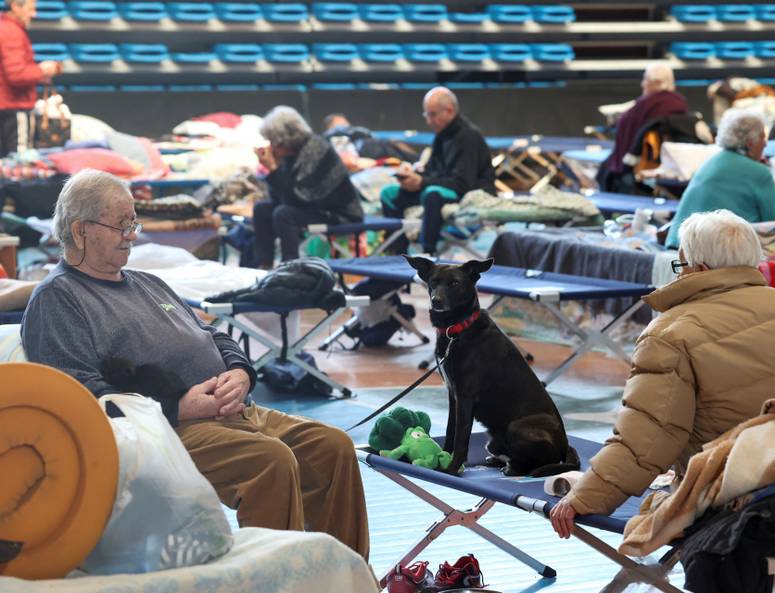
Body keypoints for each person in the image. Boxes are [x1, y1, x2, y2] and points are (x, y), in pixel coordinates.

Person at [20, 169, 369, 560]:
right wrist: (178, 407)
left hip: (235, 410)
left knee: (333, 448)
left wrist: (241, 372)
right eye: (121, 225)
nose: (132, 235)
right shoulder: (58, 298)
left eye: (133, 223)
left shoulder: (146, 283)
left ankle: (348, 579)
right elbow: (79, 396)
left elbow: (214, 336)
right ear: (81, 229)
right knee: (270, 463)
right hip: (166, 429)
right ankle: (277, 581)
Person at [550, 209, 775, 539]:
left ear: (699, 268)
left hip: (737, 496)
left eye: (681, 265)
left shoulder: (669, 333)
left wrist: (585, 497)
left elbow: (648, 437)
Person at [380, 86, 496, 255]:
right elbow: (431, 172)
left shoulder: (468, 137)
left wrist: (422, 182)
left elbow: (462, 183)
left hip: (468, 192)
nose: (428, 121)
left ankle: (428, 254)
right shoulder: (441, 135)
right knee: (388, 193)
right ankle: (398, 252)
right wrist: (412, 177)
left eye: (432, 114)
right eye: (426, 114)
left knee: (433, 194)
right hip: (440, 188)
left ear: (449, 111)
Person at [253, 105, 363, 268]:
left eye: (275, 141)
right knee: (261, 209)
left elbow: (297, 198)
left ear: (286, 138)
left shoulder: (315, 149)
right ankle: (265, 266)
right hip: (312, 207)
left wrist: (274, 170)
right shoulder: (290, 153)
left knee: (283, 214)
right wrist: (274, 167)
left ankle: (291, 269)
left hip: (339, 213)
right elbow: (281, 197)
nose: (273, 146)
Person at [664, 110, 775, 249]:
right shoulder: (760, 172)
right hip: (717, 253)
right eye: (763, 138)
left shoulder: (709, 163)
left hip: (679, 246)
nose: (765, 144)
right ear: (750, 143)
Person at [597, 63, 688, 194]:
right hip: (669, 163)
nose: (642, 84)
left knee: (606, 170)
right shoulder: (679, 102)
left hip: (640, 165)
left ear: (656, 82)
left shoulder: (647, 105)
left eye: (645, 79)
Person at [0, 0, 63, 157]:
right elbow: (16, 75)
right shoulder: (11, 32)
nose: (34, 14)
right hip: (13, 107)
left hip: (6, 105)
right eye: (30, 9)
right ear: (15, 6)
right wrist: (43, 71)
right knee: (19, 164)